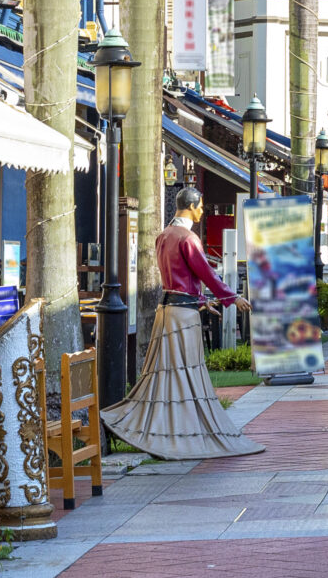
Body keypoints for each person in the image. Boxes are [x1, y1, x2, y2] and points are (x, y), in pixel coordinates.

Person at [103, 189, 264, 459]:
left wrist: (202, 300)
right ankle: (181, 434)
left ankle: (162, 430)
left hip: (167, 312)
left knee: (166, 375)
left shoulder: (163, 236)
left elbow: (180, 278)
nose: (202, 211)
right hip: (183, 317)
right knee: (186, 374)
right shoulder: (188, 238)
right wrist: (231, 297)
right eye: (200, 206)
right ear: (190, 206)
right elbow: (205, 272)